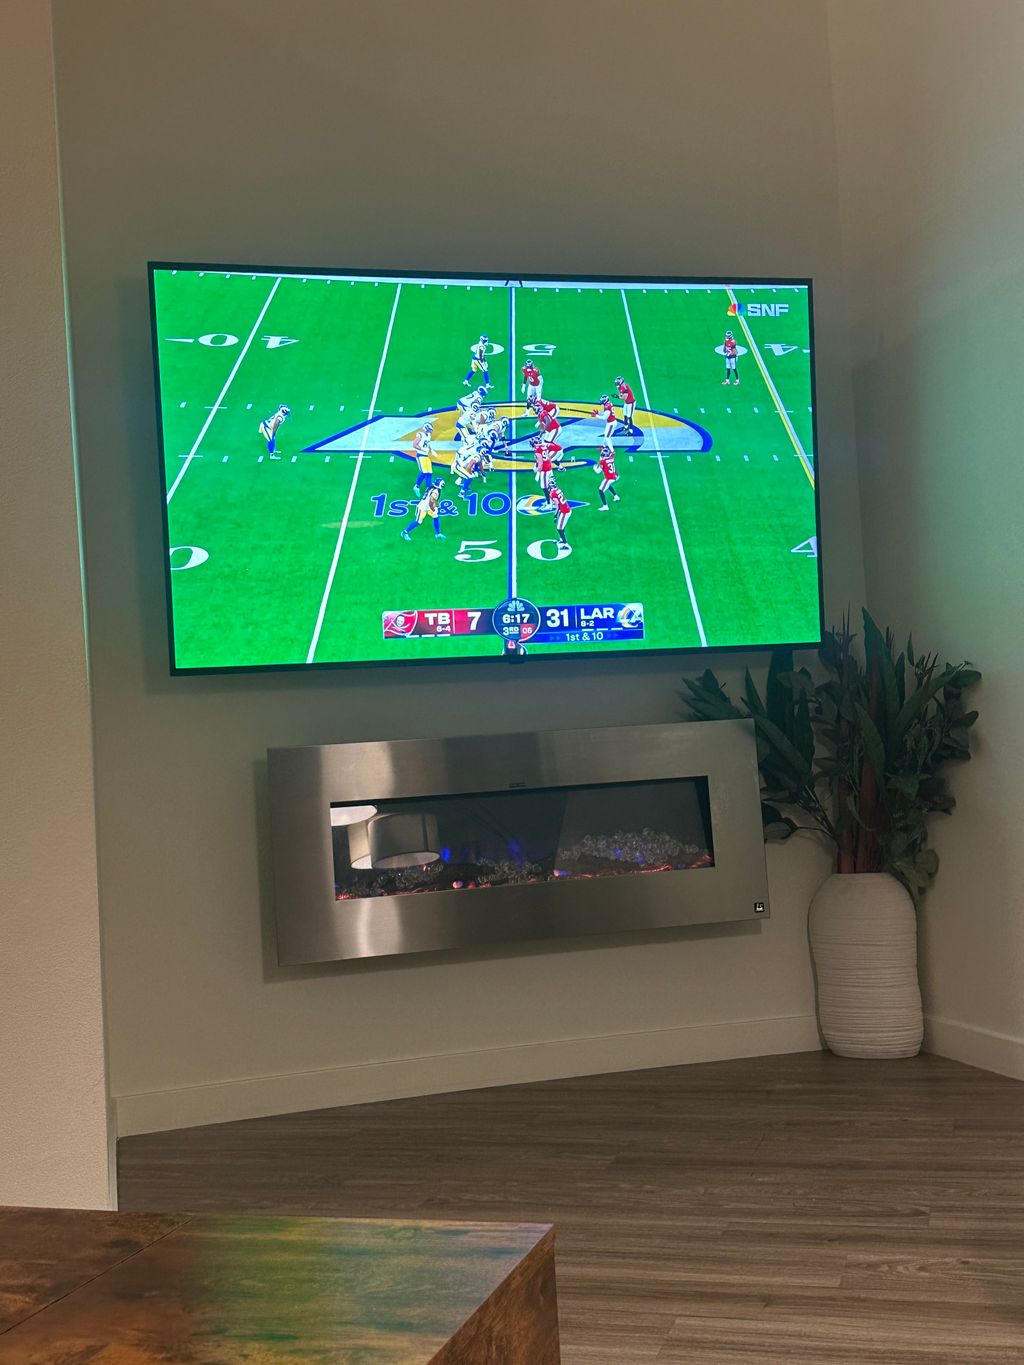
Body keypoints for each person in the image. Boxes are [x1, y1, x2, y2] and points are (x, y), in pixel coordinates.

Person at [410, 421, 436, 496]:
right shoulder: (420, 435)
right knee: (424, 472)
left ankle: (429, 487)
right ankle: (416, 486)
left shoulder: (429, 435)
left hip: (426, 455)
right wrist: (422, 449)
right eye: (430, 429)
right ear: (426, 428)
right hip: (420, 455)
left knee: (429, 472)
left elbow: (427, 444)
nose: (431, 431)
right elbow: (414, 444)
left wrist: (431, 450)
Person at [596, 445, 621, 509]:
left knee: (601, 490)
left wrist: (594, 468)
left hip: (609, 478)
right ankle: (616, 496)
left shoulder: (603, 461)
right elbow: (611, 453)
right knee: (607, 485)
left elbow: (598, 471)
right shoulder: (611, 457)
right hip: (615, 475)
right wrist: (602, 449)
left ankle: (605, 506)